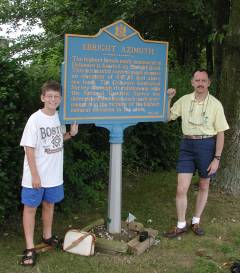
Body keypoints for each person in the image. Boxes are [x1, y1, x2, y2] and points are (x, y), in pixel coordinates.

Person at [164, 69, 229, 238]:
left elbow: (221, 133)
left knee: (203, 185)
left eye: (203, 80)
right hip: (187, 145)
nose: (200, 83)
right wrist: (169, 98)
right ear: (192, 82)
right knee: (181, 188)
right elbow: (167, 117)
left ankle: (196, 220)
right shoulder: (184, 100)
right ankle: (180, 224)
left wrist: (217, 158)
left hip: (207, 145)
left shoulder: (216, 104)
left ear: (209, 83)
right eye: (197, 80)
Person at [20, 80, 78, 266]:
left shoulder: (59, 117)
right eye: (49, 96)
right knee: (30, 209)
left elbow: (56, 140)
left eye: (56, 96)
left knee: (49, 204)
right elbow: (28, 148)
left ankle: (47, 236)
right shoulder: (35, 119)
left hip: (54, 175)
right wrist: (35, 175)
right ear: (43, 97)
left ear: (60, 99)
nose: (53, 99)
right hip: (35, 176)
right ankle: (30, 248)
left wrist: (70, 134)